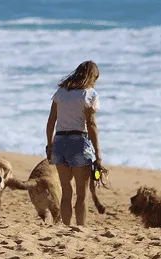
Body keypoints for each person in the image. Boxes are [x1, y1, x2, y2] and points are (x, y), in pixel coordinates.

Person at [45, 60, 103, 226]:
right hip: (79, 142)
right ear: (92, 77)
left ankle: (66, 227)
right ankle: (80, 229)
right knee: (82, 193)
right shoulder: (89, 94)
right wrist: (98, 153)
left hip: (60, 142)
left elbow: (51, 122)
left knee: (66, 191)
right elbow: (91, 125)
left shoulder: (60, 92)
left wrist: (49, 145)